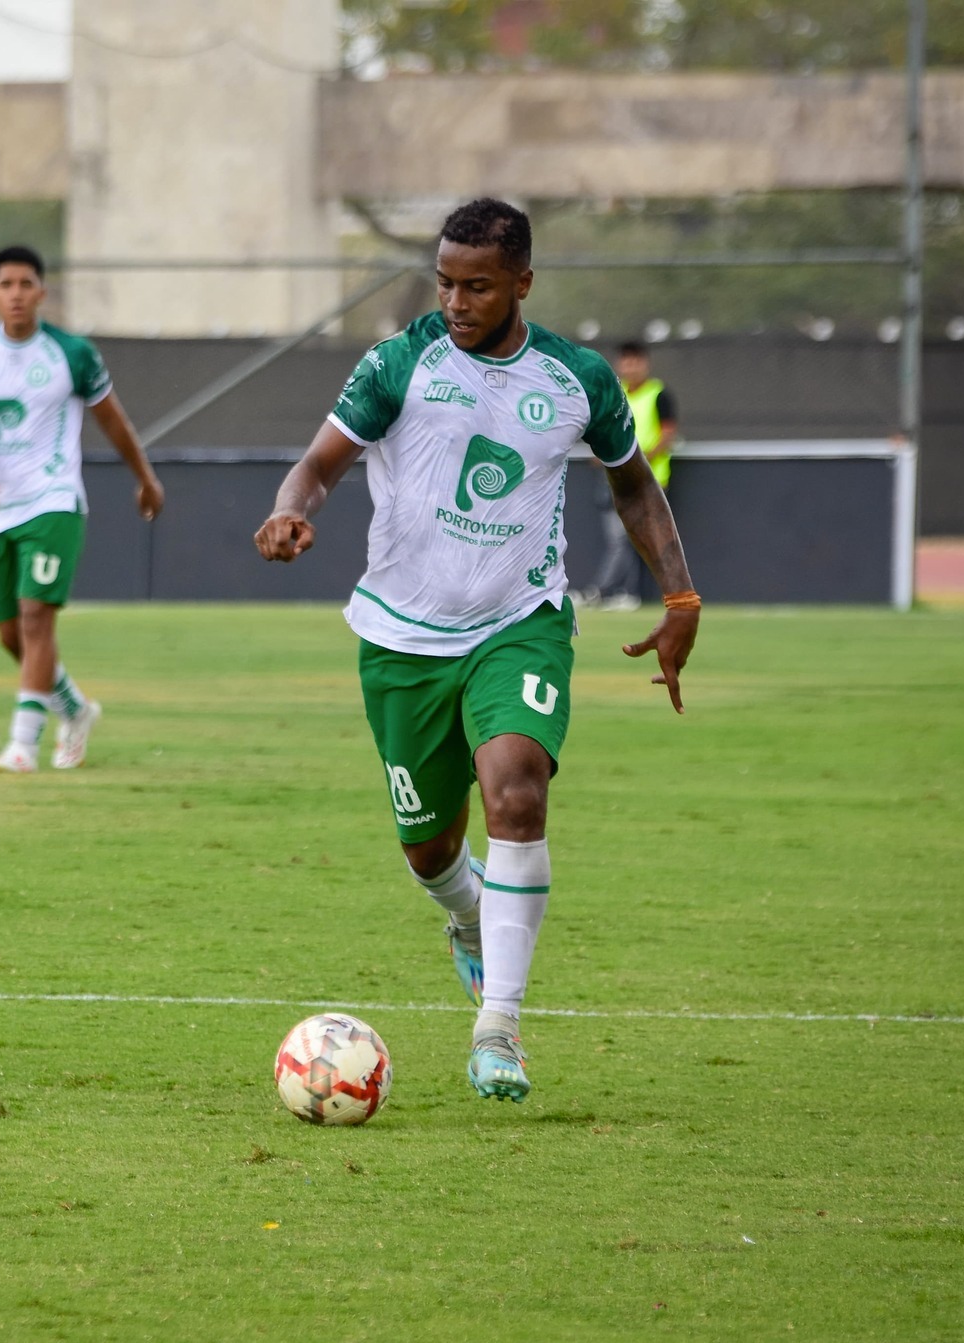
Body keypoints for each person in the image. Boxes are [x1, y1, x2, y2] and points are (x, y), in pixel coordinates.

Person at [254, 199, 698, 1103]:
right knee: (427, 849)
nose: (456, 301)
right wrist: (290, 509)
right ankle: (465, 913)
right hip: (403, 635)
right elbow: (320, 464)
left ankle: (499, 1025)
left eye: (478, 285)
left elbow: (636, 490)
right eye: (446, 282)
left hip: (518, 620)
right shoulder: (399, 361)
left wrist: (680, 594)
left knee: (518, 786)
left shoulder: (577, 379)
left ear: (522, 283)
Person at [0, 245, 164, 773]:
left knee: (35, 619)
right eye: (7, 285)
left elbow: (113, 420)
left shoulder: (73, 353)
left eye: (27, 284)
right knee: (8, 633)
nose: (17, 294)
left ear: (42, 292)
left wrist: (145, 477)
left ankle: (23, 744)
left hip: (54, 501)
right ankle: (74, 709)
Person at [584, 340, 679, 611]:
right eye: (625, 361)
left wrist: (639, 459)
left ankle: (612, 592)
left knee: (635, 538)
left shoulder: (659, 394)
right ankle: (621, 593)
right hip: (614, 479)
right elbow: (599, 430)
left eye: (635, 361)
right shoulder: (614, 393)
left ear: (645, 364)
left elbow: (668, 434)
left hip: (649, 481)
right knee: (621, 538)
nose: (630, 367)